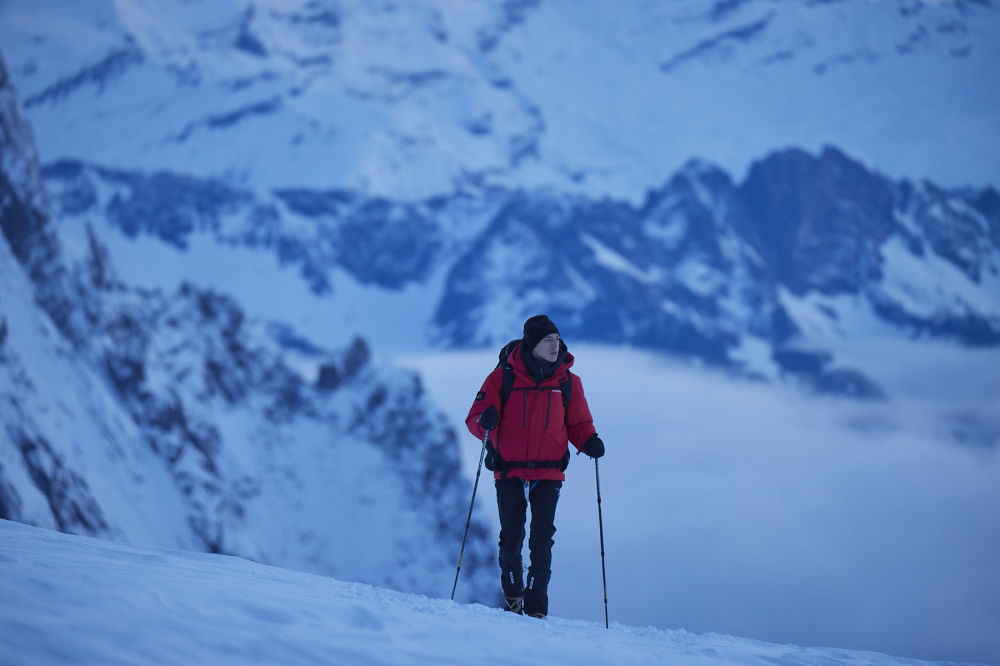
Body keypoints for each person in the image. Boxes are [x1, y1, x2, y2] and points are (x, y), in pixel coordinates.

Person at [465, 314, 605, 618]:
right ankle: (513, 592)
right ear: (532, 344)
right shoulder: (502, 378)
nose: (555, 346)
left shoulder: (568, 382)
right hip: (509, 467)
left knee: (542, 540)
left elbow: (579, 423)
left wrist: (589, 441)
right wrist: (484, 422)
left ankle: (537, 605)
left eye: (556, 340)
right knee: (511, 538)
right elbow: (475, 418)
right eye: (547, 341)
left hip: (549, 469)